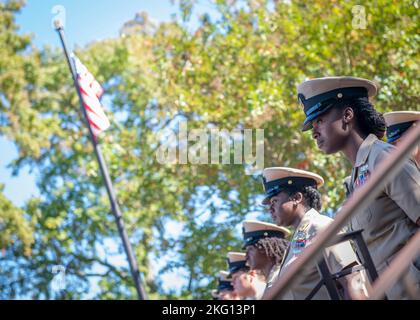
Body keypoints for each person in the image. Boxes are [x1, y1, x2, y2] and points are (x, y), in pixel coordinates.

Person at [297, 76, 420, 299]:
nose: (314, 132)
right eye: (312, 125)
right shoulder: (356, 178)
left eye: (320, 120)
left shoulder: (383, 158)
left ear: (347, 115)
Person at [262, 167, 362, 299]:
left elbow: (351, 279)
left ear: (297, 198)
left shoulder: (322, 226)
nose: (270, 209)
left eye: (274, 201)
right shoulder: (296, 241)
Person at [242, 220, 290, 291]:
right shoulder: (270, 282)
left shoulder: (286, 276)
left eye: (250, 249)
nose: (246, 256)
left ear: (265, 248)